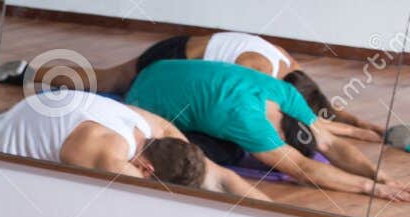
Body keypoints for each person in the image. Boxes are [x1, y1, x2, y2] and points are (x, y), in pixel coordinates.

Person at [0, 30, 386, 138]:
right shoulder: (261, 72)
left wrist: (368, 128)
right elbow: (285, 117)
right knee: (101, 84)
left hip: (188, 55)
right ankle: (30, 71)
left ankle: (28, 69)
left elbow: (320, 110)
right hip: (172, 60)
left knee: (98, 80)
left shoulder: (291, 67)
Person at [123, 61, 409, 200]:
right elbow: (302, 169)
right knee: (223, 154)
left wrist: (380, 176)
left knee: (232, 145)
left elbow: (330, 144)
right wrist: (371, 189)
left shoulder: (287, 95)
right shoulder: (249, 123)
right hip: (141, 100)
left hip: (161, 67)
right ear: (282, 138)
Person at [0, 89, 268, 199]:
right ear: (146, 168)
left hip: (37, 111)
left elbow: (224, 178)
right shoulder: (107, 153)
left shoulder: (158, 130)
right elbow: (153, 206)